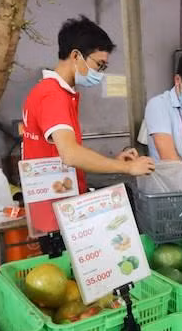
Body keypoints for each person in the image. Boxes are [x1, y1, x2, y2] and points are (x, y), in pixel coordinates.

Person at [21, 16, 154, 234]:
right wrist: (128, 167)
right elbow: (70, 154)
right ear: (76, 56)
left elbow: (65, 151)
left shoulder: (56, 93)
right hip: (54, 213)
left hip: (58, 202)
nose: (100, 73)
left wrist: (112, 162)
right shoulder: (52, 95)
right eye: (99, 65)